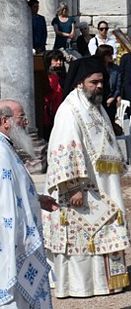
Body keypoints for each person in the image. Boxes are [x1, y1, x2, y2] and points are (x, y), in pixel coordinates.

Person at [43, 57, 131, 298]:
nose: (100, 86)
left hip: (104, 184)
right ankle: (80, 287)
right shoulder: (69, 109)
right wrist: (73, 187)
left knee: (105, 232)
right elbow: (64, 147)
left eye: (102, 82)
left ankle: (106, 282)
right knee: (82, 237)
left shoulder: (97, 105)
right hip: (81, 187)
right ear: (80, 83)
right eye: (94, 82)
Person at [0, 99, 58, 308]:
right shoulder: (1, 153)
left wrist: (37, 199)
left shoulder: (6, 147)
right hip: (13, 242)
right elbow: (5, 202)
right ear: (5, 121)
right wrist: (16, 241)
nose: (26, 122)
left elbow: (16, 191)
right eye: (21, 117)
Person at [95, 44, 122, 125]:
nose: (111, 56)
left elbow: (118, 86)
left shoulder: (116, 69)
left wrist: (113, 97)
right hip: (98, 101)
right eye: (109, 54)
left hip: (111, 102)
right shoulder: (96, 68)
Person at [42, 50, 66, 140]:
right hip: (48, 112)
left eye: (61, 60)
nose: (59, 63)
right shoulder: (46, 77)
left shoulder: (63, 76)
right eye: (56, 60)